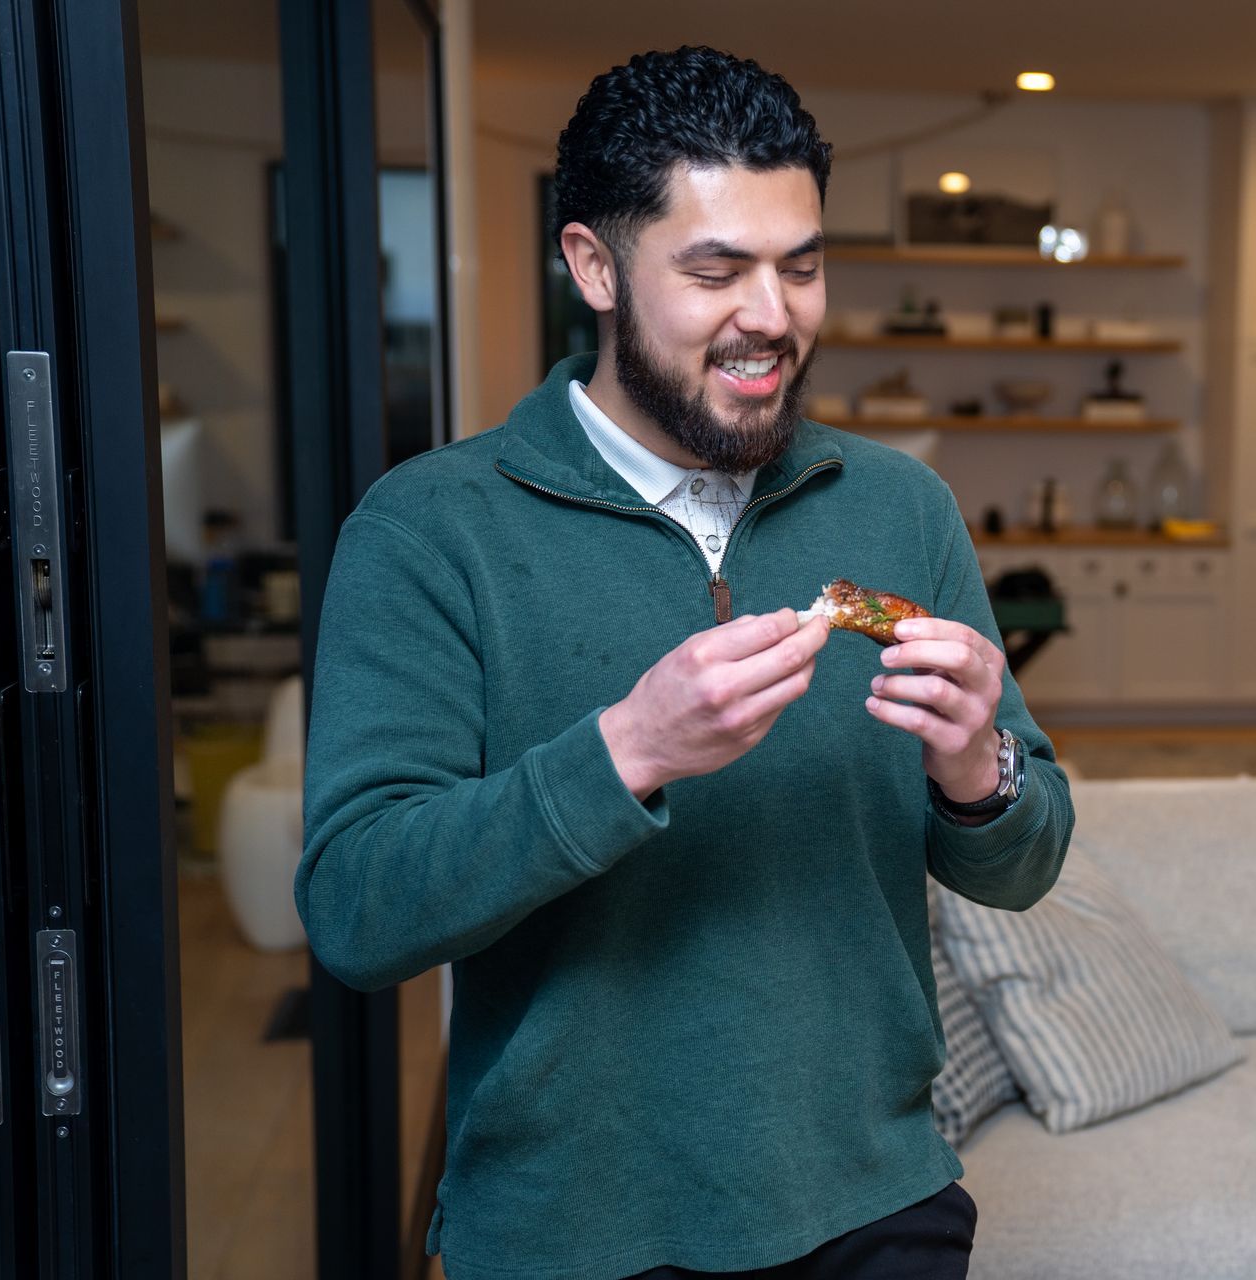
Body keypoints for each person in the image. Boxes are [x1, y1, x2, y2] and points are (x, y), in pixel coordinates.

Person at [296, 45, 1073, 1280]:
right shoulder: (429, 530)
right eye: (716, 271)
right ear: (594, 266)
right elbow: (355, 910)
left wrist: (982, 770)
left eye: (801, 266)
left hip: (881, 1202)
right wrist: (629, 751)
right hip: (573, 1229)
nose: (773, 315)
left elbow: (1026, 864)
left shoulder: (901, 508)